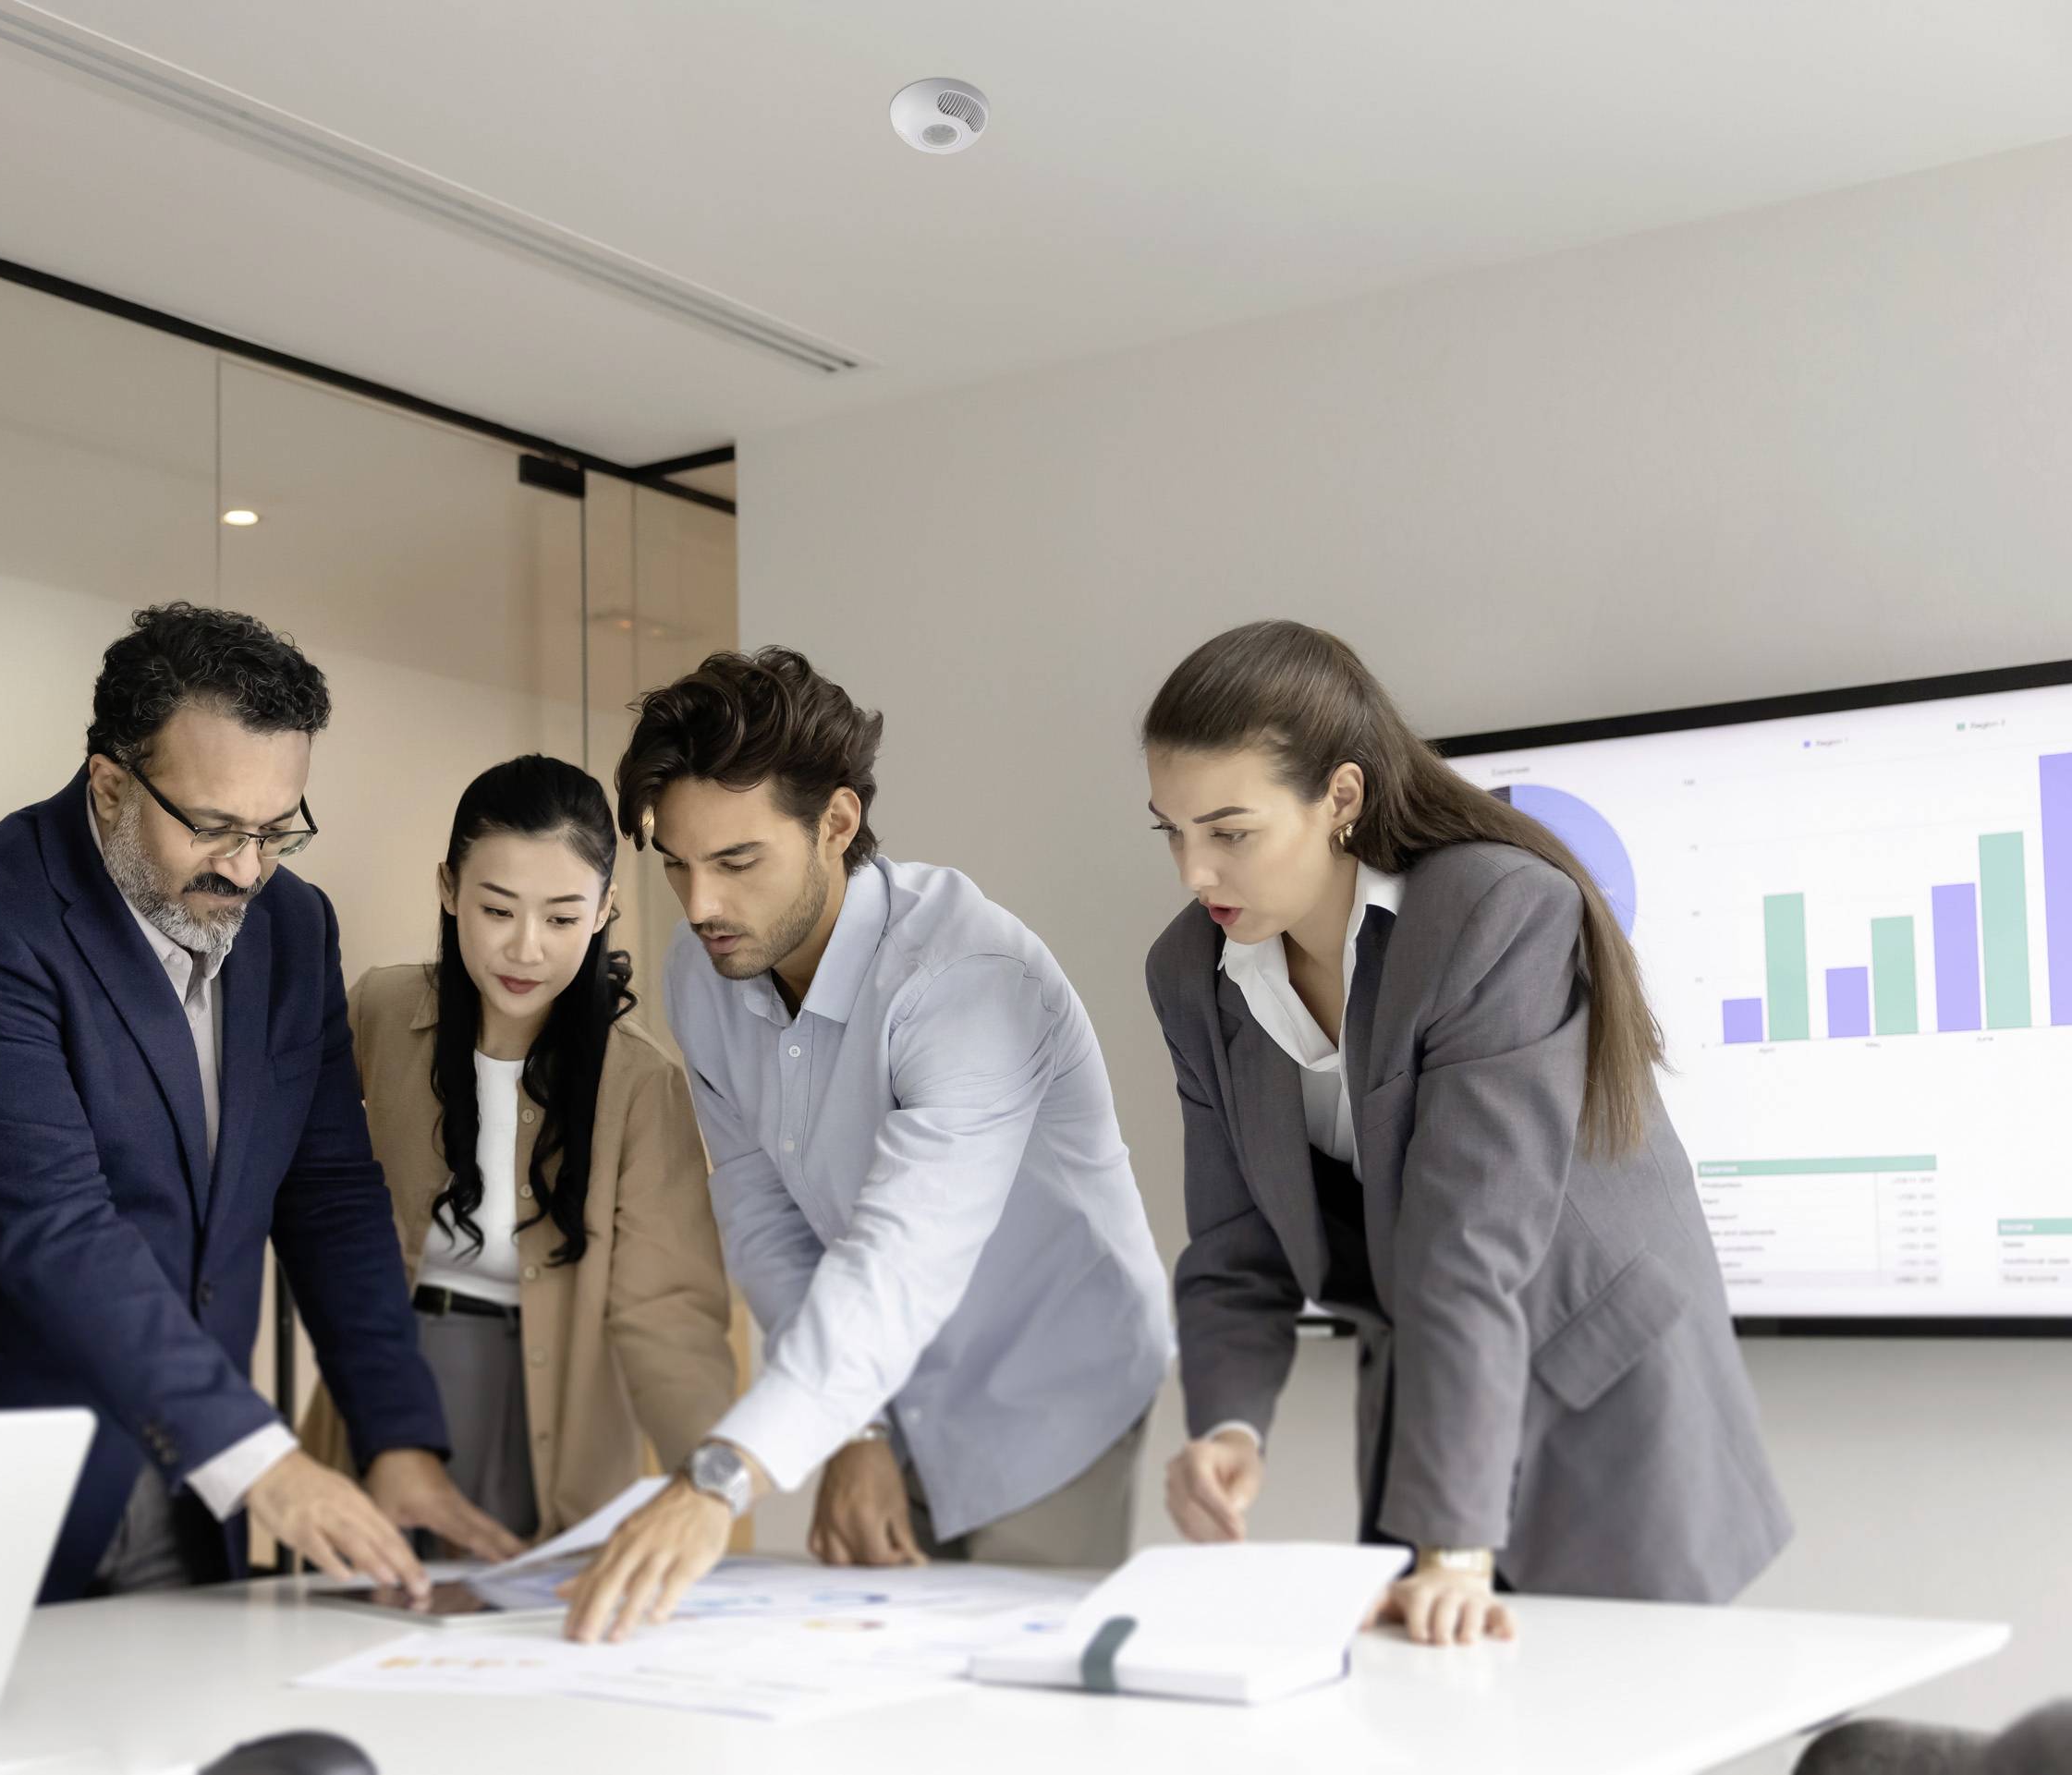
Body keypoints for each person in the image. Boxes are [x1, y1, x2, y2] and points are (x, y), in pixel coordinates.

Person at [0, 602, 520, 1600]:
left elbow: (330, 1192)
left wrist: (398, 1435)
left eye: (276, 828)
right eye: (213, 826)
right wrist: (261, 1458)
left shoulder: (292, 925)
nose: (247, 867)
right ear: (111, 782)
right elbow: (56, 1226)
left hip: (189, 1482)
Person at [1141, 620, 1791, 1647]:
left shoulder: (1492, 913)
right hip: (1433, 1393)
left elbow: (1466, 1243)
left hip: (1602, 1401)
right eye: (1169, 831)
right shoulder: (1190, 973)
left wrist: (1449, 1538)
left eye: (1228, 832)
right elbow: (1232, 1244)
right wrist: (1228, 1422)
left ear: (1339, 799)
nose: (1191, 871)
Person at [561, 647, 1174, 1643]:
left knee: (1014, 1695)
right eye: (675, 862)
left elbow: (902, 1257)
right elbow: (764, 1218)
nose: (701, 902)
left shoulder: (968, 980)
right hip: (870, 1374)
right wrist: (853, 1426)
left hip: (1047, 1384)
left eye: (736, 860)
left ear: (835, 824)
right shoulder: (699, 973)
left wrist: (723, 1473)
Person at [299, 755, 737, 1540]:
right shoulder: (378, 1011)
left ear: (605, 909)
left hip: (550, 1403)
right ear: (448, 888)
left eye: (563, 918)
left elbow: (666, 1309)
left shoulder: (639, 1083)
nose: (526, 948)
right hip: (388, 1388)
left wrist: (708, 1480)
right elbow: (309, 1191)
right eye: (497, 910)